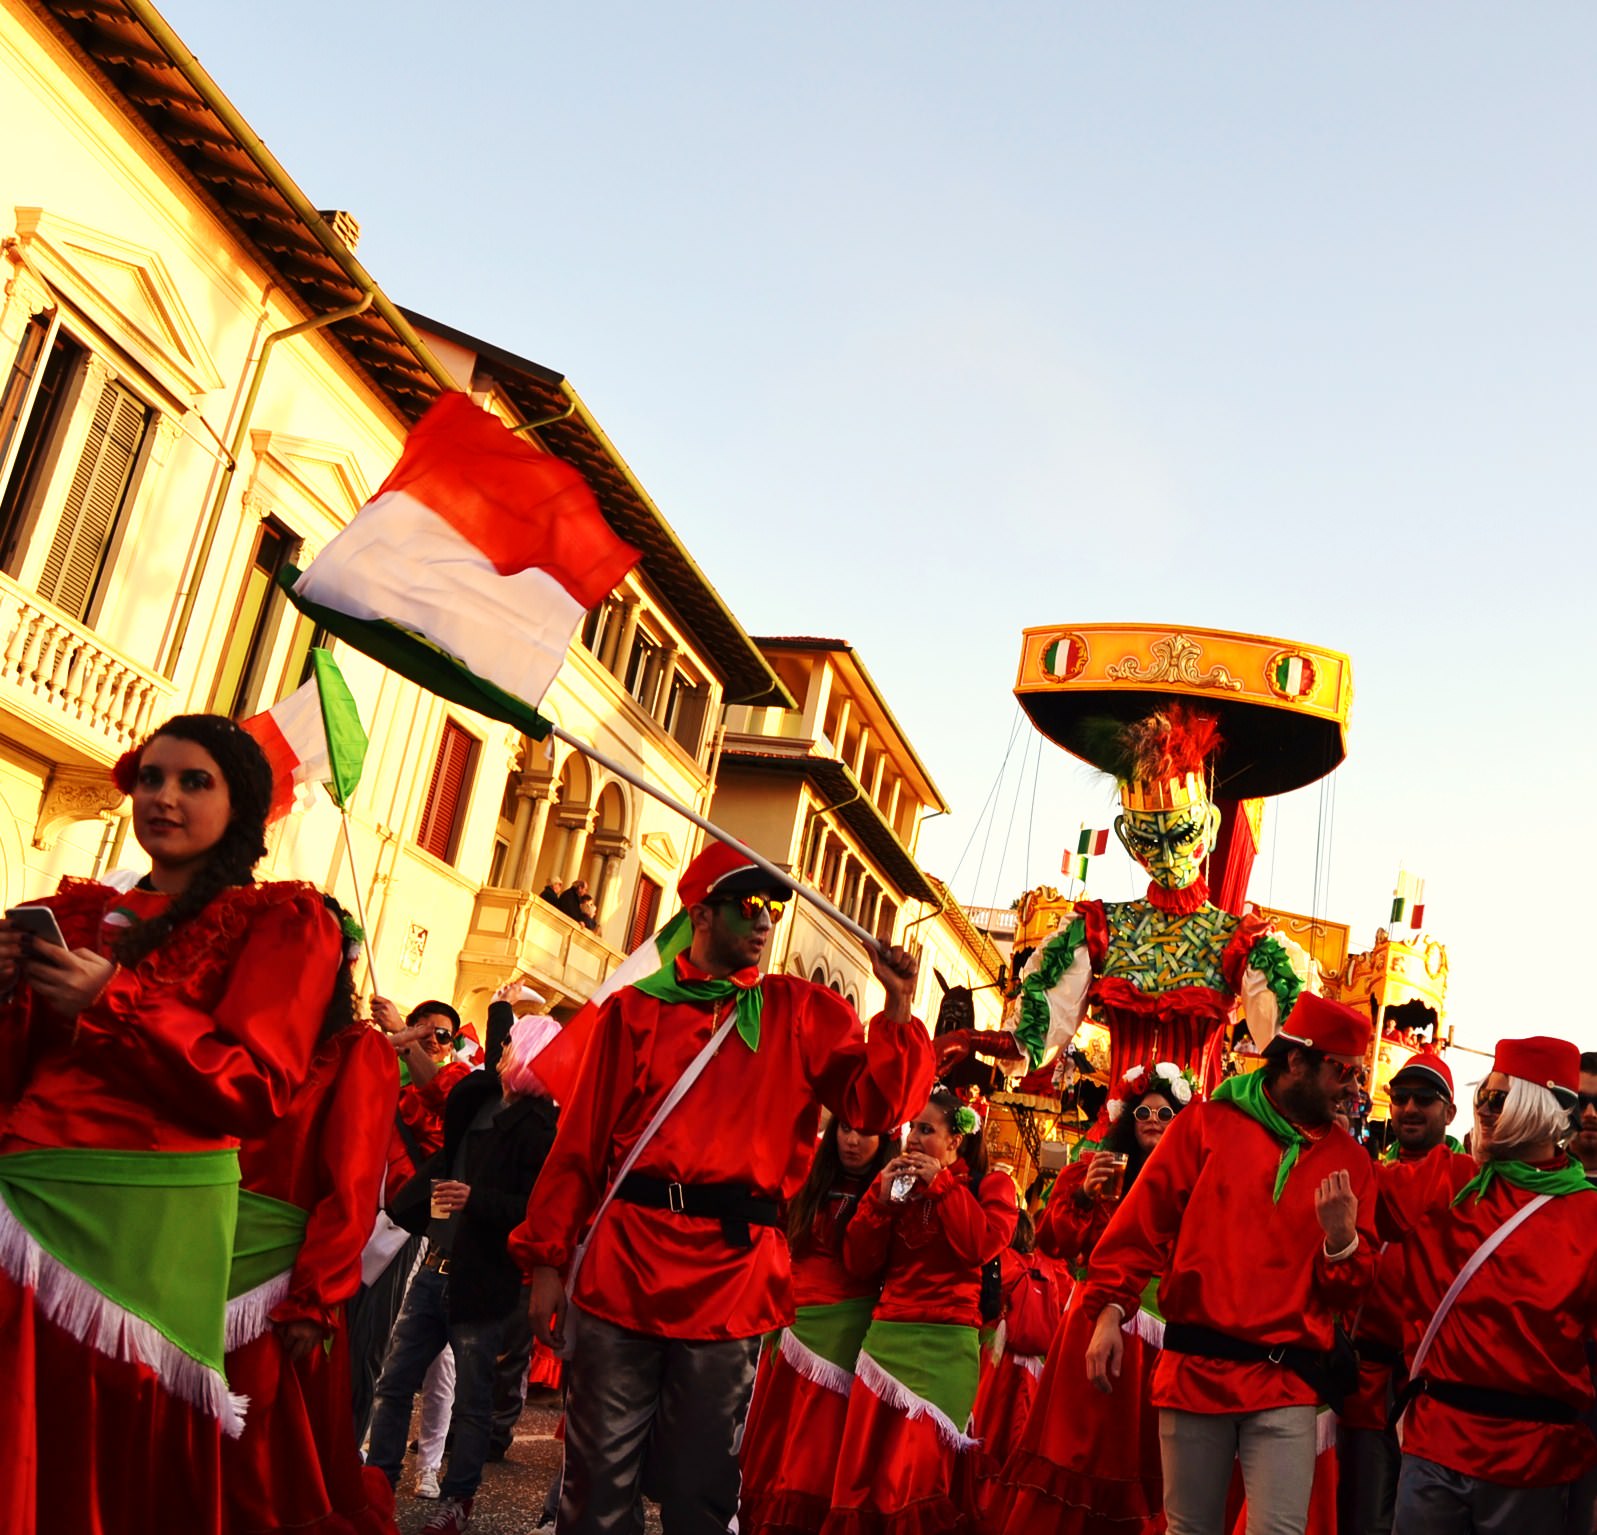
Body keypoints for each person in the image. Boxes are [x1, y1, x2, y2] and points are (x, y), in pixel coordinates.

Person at [514, 840, 933, 1535]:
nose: (766, 920)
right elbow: (578, 1148)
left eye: (773, 907)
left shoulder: (804, 1012)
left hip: (733, 1279)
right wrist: (546, 1259)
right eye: (748, 905)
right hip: (625, 1266)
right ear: (701, 914)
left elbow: (875, 1107)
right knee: (595, 1482)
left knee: (701, 1488)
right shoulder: (632, 1012)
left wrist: (897, 1006)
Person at [0, 714, 342, 1535]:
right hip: (24, 1190)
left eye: (195, 782)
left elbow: (254, 1085)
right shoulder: (69, 911)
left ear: (243, 805)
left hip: (157, 1209)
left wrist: (109, 1003)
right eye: (151, 777)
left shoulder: (285, 923)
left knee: (116, 1433)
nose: (164, 796)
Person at [1080, 992, 1378, 1535]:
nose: (1355, 1090)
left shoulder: (1352, 1162)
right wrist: (1107, 1314)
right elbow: (1141, 1227)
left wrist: (1341, 1242)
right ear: (1296, 1060)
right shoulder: (1203, 1125)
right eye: (1344, 1072)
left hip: (1288, 1382)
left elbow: (1348, 1294)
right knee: (1190, 1530)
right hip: (1196, 1371)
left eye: (1359, 1077)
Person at [221, 897, 400, 1535]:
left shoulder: (358, 1053)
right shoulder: (232, 1045)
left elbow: (351, 1188)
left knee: (261, 1463)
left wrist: (314, 1298)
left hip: (282, 1288)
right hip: (194, 1265)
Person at [1390, 1035, 1597, 1533]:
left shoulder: (1589, 1216)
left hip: (1532, 1462)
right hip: (1435, 1444)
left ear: (1537, 1107)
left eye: (1498, 1098)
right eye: (1483, 1095)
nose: (1483, 1108)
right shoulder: (1453, 1184)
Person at [367, 1001, 560, 1534]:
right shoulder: (476, 1097)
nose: (501, 1052)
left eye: (511, 1046)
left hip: (484, 1276)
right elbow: (432, 1086)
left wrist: (476, 1199)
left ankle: (458, 1499)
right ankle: (376, 1483)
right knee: (395, 1381)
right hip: (435, 1265)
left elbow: (535, 1208)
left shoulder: (544, 1129)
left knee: (473, 1399)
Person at [988, 1060, 1193, 1535]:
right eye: (1144, 1114)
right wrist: (1082, 1194)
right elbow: (1053, 1243)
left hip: (1157, 1337)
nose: (1154, 1123)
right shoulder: (1092, 1170)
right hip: (1091, 1322)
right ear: (1127, 1120)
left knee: (1135, 1453)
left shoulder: (1191, 1181)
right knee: (1075, 1441)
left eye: (1166, 1116)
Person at [819, 1086, 1017, 1533]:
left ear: (955, 1141)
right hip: (885, 1344)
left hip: (948, 1348)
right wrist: (880, 1202)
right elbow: (859, 1263)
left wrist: (942, 1185)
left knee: (917, 1475)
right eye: (912, 1128)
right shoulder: (896, 1186)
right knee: (866, 1477)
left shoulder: (992, 1186)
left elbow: (978, 1246)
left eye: (926, 1130)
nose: (912, 1140)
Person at [739, 1115, 893, 1535]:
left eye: (865, 1132)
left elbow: (864, 1261)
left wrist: (879, 1201)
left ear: (887, 1136)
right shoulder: (808, 1174)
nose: (853, 1140)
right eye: (845, 1128)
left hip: (844, 1332)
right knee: (776, 1440)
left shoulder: (890, 1189)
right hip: (789, 1324)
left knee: (814, 1450)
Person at [1338, 1051, 1462, 1535]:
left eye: (1425, 1100)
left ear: (1450, 1113)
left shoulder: (1464, 1179)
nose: (1410, 1108)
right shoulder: (1376, 1174)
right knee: (1362, 1515)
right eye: (1401, 1098)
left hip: (1432, 1394)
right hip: (1367, 1385)